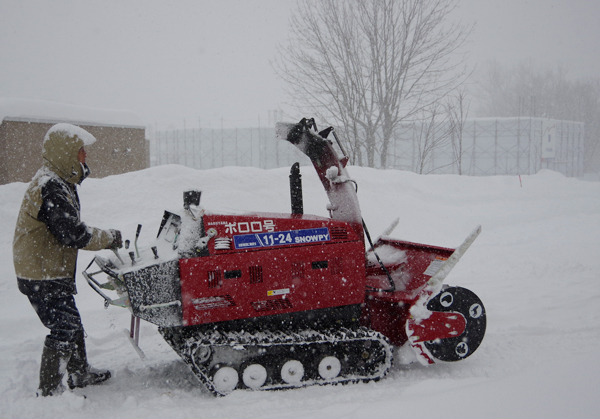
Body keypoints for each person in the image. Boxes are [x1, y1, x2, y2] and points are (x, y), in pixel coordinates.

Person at [13, 123, 123, 397]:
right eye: (81, 150)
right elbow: (72, 233)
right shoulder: (51, 186)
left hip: (50, 269)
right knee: (64, 326)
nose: (85, 156)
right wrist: (108, 237)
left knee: (71, 319)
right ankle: (49, 391)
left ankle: (79, 371)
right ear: (66, 153)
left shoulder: (60, 180)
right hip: (41, 273)